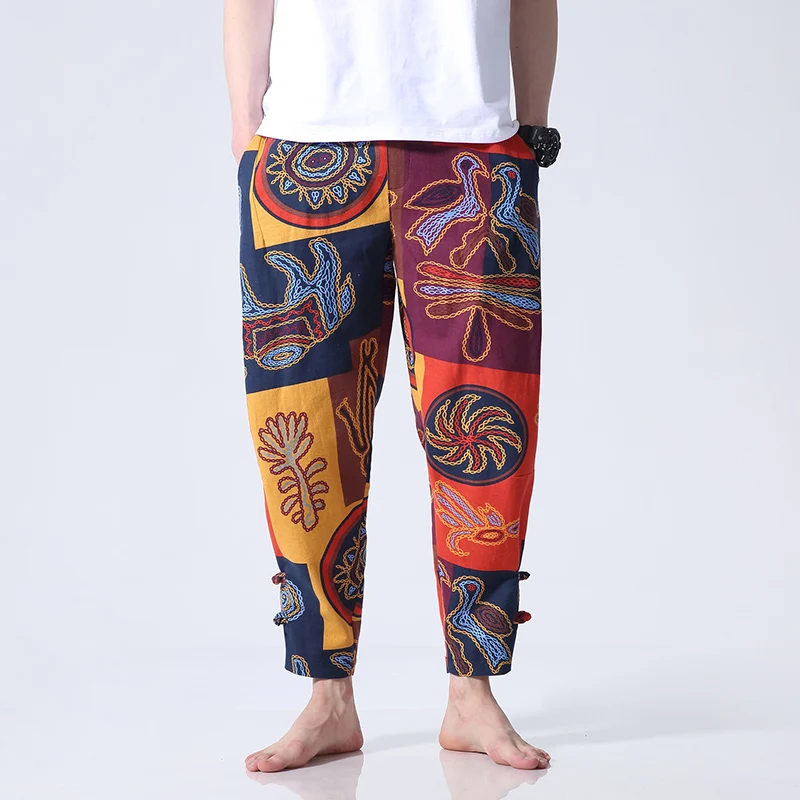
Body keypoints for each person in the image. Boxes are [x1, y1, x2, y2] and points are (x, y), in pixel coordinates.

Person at [223, 0, 560, 773]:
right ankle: (327, 698)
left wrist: (531, 131)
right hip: (304, 146)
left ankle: (471, 693)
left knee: (486, 426)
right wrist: (247, 140)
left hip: (473, 144)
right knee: (301, 432)